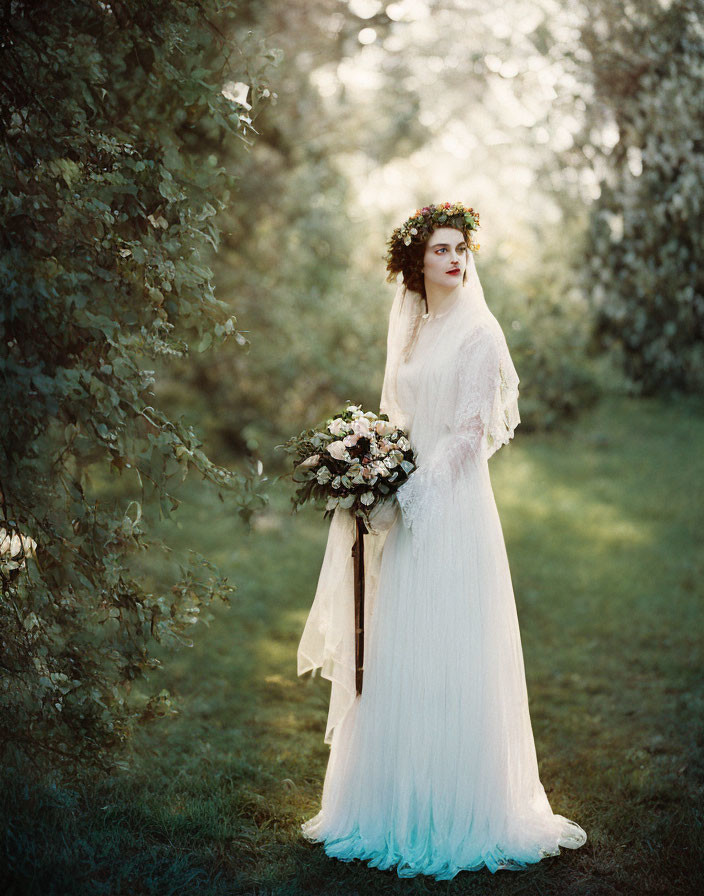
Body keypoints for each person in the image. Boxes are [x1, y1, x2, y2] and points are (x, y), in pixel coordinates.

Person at [296, 203, 587, 880]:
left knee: (450, 645)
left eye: (462, 248)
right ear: (415, 262)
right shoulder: (416, 328)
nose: (456, 260)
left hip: (452, 508)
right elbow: (403, 418)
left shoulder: (480, 333)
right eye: (441, 250)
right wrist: (371, 465)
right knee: (402, 644)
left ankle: (462, 806)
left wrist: (417, 494)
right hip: (407, 496)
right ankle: (395, 803)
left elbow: (468, 430)